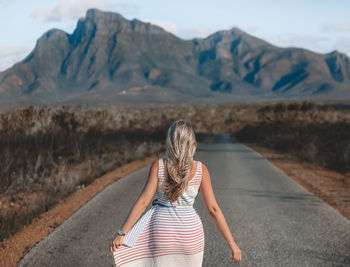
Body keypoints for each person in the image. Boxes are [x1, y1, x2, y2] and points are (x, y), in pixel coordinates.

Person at [109, 119, 242, 266]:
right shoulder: (200, 169)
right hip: (191, 234)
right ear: (192, 141)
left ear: (170, 141)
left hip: (162, 232)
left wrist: (122, 233)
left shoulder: (158, 166)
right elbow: (213, 210)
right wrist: (232, 243)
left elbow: (143, 202)